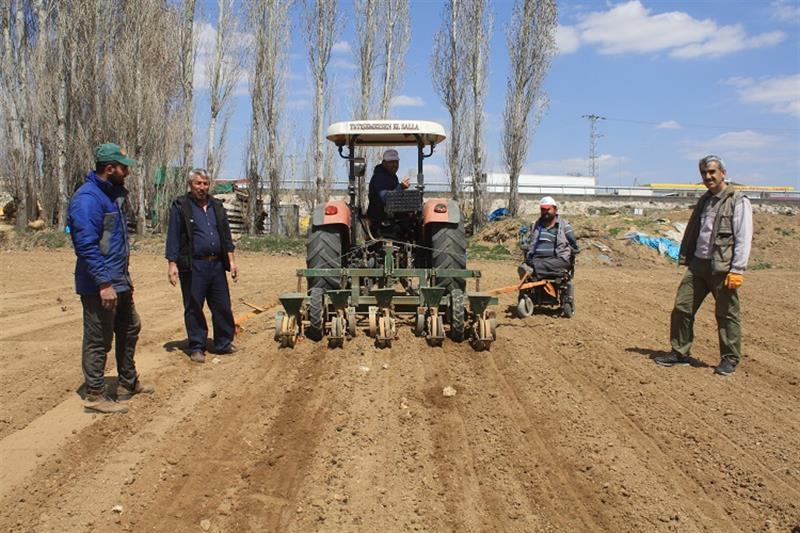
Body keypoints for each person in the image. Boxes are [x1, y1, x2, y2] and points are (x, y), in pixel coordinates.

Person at [67, 143, 154, 414]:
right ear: (109, 168)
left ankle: (127, 381)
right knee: (99, 337)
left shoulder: (113, 196)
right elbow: (86, 246)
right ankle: (95, 394)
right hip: (99, 283)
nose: (127, 172)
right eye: (123, 167)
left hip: (119, 278)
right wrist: (104, 283)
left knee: (130, 327)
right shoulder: (88, 199)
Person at [655, 155, 753, 376]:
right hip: (698, 264)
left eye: (712, 172)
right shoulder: (705, 200)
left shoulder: (738, 201)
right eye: (703, 173)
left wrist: (737, 269)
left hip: (723, 267)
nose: (707, 177)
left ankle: (729, 358)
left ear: (723, 173)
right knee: (682, 307)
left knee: (727, 314)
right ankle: (680, 352)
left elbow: (744, 237)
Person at [165, 169, 239, 363]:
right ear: (190, 185)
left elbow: (226, 236)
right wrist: (172, 263)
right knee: (194, 306)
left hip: (216, 264)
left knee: (222, 305)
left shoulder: (216, 206)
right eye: (198, 183)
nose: (202, 187)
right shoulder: (181, 206)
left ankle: (224, 343)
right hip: (193, 265)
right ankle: (197, 346)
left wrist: (231, 261)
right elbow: (173, 236)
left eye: (205, 183)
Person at [520, 196, 579, 281]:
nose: (545, 212)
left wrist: (574, 250)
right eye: (543, 210)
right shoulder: (535, 225)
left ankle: (534, 269)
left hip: (558, 260)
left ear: (555, 210)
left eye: (548, 209)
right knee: (530, 263)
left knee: (559, 263)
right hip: (537, 259)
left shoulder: (565, 225)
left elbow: (573, 243)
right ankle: (536, 269)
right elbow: (529, 242)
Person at [366, 149, 411, 222]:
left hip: (390, 215)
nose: (394, 165)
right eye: (391, 162)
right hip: (380, 218)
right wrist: (401, 187)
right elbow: (386, 198)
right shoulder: (380, 177)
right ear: (384, 163)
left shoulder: (392, 176)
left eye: (396, 162)